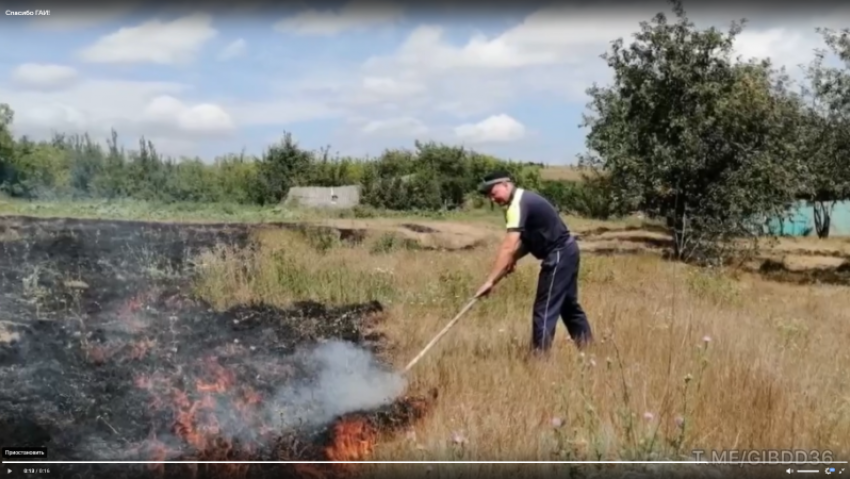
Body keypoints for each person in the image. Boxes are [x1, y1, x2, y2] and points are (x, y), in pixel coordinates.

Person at [474, 170, 593, 351]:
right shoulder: (519, 203)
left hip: (559, 253)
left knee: (544, 308)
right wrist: (514, 258)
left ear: (505, 184)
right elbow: (529, 242)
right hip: (567, 251)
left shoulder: (519, 204)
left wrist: (490, 280)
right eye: (489, 196)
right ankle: (589, 350)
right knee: (568, 306)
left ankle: (539, 361)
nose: (492, 199)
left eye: (493, 192)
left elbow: (508, 246)